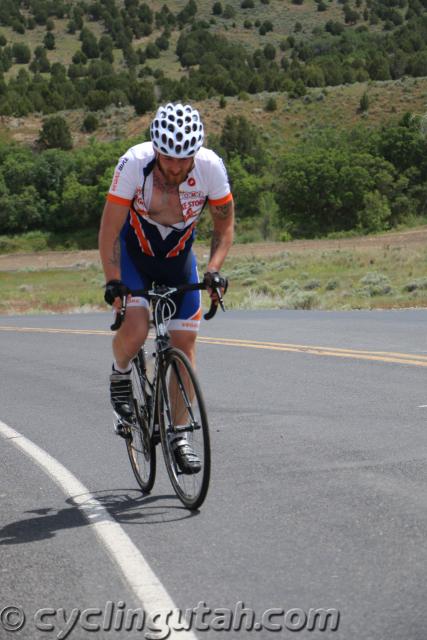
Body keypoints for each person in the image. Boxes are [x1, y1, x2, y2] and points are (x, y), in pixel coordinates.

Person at [99, 102, 234, 473]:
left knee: (184, 346)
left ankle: (179, 435)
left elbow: (224, 229)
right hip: (135, 257)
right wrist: (114, 280)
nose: (175, 167)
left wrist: (213, 270)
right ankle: (120, 371)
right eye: (168, 158)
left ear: (196, 153)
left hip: (178, 261)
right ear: (155, 148)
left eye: (184, 159)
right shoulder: (132, 164)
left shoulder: (211, 168)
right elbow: (110, 229)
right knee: (138, 326)